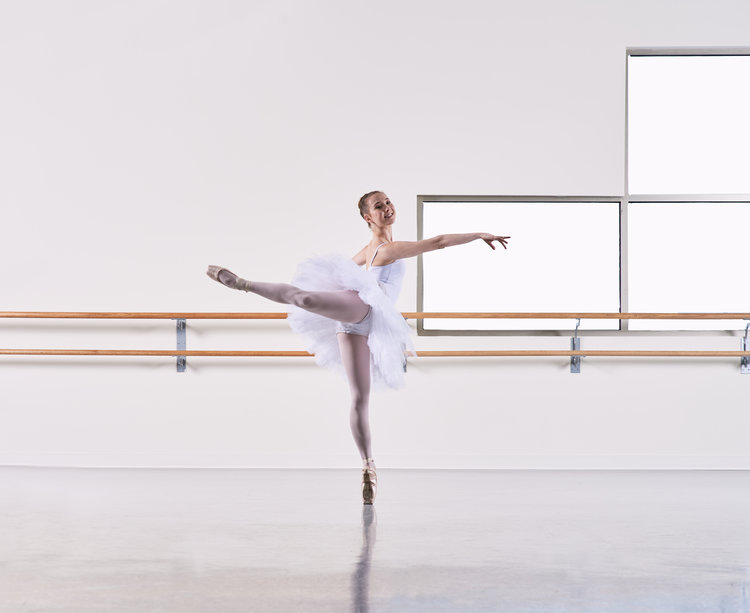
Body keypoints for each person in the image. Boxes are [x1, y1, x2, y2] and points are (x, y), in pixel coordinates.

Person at [207, 190, 509, 504]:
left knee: (360, 398)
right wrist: (477, 235)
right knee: (304, 299)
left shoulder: (373, 249)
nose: (387, 208)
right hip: (359, 309)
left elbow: (351, 269)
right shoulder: (386, 249)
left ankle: (368, 467)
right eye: (379, 206)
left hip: (366, 324)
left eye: (388, 202)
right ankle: (241, 284)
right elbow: (438, 242)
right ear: (368, 217)